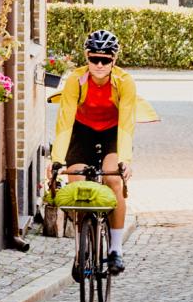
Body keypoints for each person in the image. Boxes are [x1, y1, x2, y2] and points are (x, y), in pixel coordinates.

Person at [50, 29, 145, 274]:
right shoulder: (76, 80)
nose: (99, 65)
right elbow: (65, 120)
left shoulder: (125, 82)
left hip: (113, 131)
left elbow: (126, 124)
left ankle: (115, 250)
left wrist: (125, 160)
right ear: (86, 57)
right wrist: (57, 159)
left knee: (113, 178)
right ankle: (82, 244)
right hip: (82, 131)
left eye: (105, 60)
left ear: (114, 60)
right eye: (94, 59)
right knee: (75, 182)